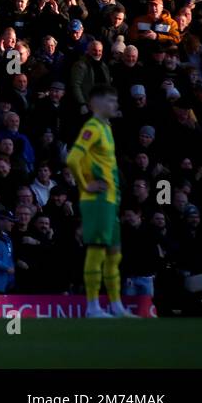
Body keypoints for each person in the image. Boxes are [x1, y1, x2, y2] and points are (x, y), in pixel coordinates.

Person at [67, 85, 134, 318]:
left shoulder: (107, 128)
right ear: (95, 104)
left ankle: (116, 306)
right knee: (96, 250)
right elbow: (73, 158)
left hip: (111, 199)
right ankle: (93, 307)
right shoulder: (92, 127)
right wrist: (85, 185)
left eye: (115, 101)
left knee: (115, 253)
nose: (114, 105)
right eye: (110, 101)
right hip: (96, 200)